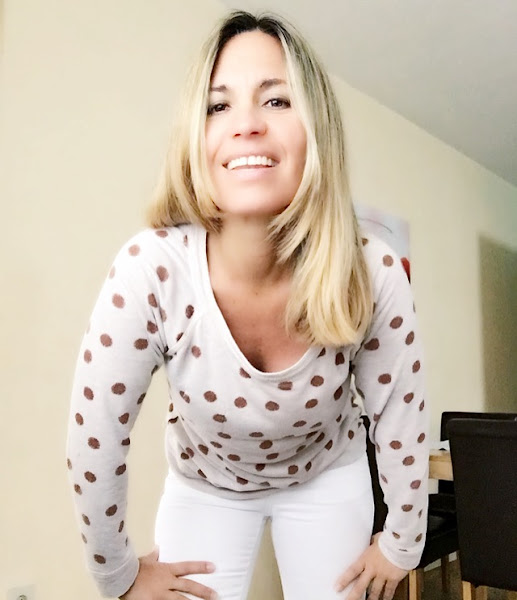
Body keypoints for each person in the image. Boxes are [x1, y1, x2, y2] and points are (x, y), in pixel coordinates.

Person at [67, 10, 428, 600]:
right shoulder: (150, 270)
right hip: (204, 484)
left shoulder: (373, 271)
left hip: (327, 473)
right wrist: (117, 575)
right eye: (218, 106)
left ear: (316, 131)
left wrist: (402, 542)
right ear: (196, 136)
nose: (247, 126)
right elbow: (97, 435)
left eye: (277, 101)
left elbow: (400, 416)